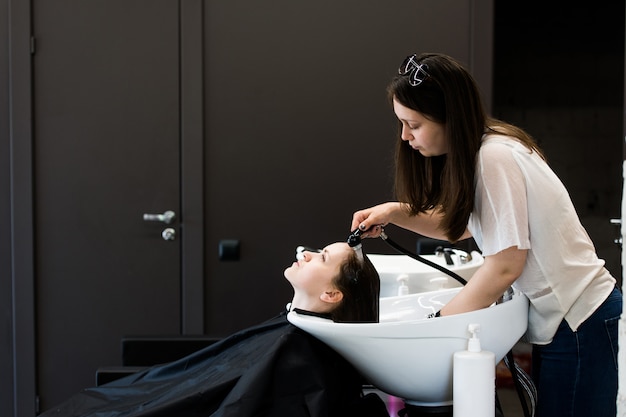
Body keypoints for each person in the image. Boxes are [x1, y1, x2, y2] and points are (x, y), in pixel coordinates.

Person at [351, 52, 621, 417]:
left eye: (413, 124)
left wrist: (437, 323)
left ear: (448, 116)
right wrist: (394, 211)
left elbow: (505, 267)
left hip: (578, 320)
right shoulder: (489, 147)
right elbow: (460, 226)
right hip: (568, 319)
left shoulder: (493, 158)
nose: (405, 136)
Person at [40, 242, 388, 417]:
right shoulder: (294, 337)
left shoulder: (296, 352)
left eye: (322, 257)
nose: (305, 252)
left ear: (331, 294)